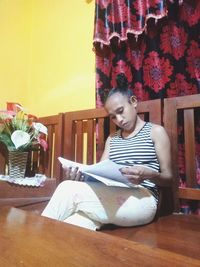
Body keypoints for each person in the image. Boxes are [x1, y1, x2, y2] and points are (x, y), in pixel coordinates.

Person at [42, 74, 172, 230]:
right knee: (73, 224)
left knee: (67, 188)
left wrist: (149, 174)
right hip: (112, 195)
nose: (119, 120)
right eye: (113, 117)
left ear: (133, 102)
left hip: (144, 198)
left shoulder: (155, 132)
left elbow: (168, 178)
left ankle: (34, 243)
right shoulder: (112, 139)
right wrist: (82, 177)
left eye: (121, 111)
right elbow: (101, 175)